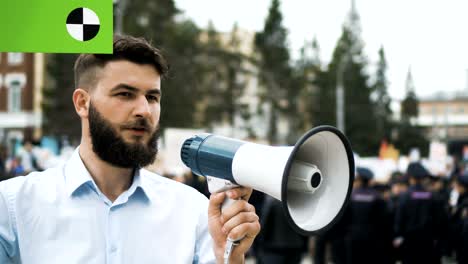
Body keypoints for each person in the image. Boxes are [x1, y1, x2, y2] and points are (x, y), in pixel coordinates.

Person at [0, 35, 260, 263]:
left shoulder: (192, 211)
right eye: (125, 94)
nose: (144, 110)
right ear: (82, 103)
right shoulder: (13, 205)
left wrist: (230, 258)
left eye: (152, 97)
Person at [393, 162, 444, 264]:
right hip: (428, 242)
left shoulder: (405, 196)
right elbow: (439, 220)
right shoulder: (433, 195)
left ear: (410, 177)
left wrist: (397, 235)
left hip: (409, 242)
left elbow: (399, 219)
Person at [346, 167, 389, 264]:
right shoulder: (377, 197)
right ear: (369, 181)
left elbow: (345, 218)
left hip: (353, 236)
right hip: (372, 237)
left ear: (359, 180)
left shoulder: (351, 196)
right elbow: (383, 220)